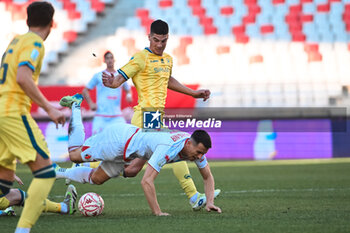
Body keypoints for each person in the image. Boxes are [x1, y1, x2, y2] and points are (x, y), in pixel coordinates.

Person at [101, 19, 216, 210]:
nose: (160, 45)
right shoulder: (140, 58)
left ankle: (84, 170)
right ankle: (194, 195)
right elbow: (118, 79)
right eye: (156, 40)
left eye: (164, 41)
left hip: (155, 117)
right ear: (149, 37)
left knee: (132, 169)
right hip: (145, 115)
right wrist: (111, 82)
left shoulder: (168, 60)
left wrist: (193, 93)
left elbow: (167, 80)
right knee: (176, 146)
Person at [56, 94, 222, 216]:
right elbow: (147, 181)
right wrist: (158, 212)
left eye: (203, 154)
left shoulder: (193, 149)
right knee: (74, 155)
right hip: (118, 141)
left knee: (97, 179)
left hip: (128, 152)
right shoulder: (168, 146)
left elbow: (207, 176)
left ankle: (57, 172)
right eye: (199, 153)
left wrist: (210, 203)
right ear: (188, 143)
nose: (200, 157)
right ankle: (76, 106)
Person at [0, 2, 68, 232]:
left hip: (1, 112)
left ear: (27, 20)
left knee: (4, 181)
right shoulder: (35, 43)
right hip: (13, 114)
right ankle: (22, 230)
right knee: (46, 173)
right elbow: (22, 76)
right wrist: (50, 108)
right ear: (52, 23)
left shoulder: (16, 41)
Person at [82, 51, 133, 135]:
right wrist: (91, 103)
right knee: (96, 142)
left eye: (111, 58)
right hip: (101, 116)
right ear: (104, 61)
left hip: (116, 116)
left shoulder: (120, 76)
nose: (109, 60)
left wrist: (128, 95)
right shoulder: (98, 75)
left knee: (124, 137)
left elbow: (128, 89)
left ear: (114, 60)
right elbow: (85, 90)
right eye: (107, 58)